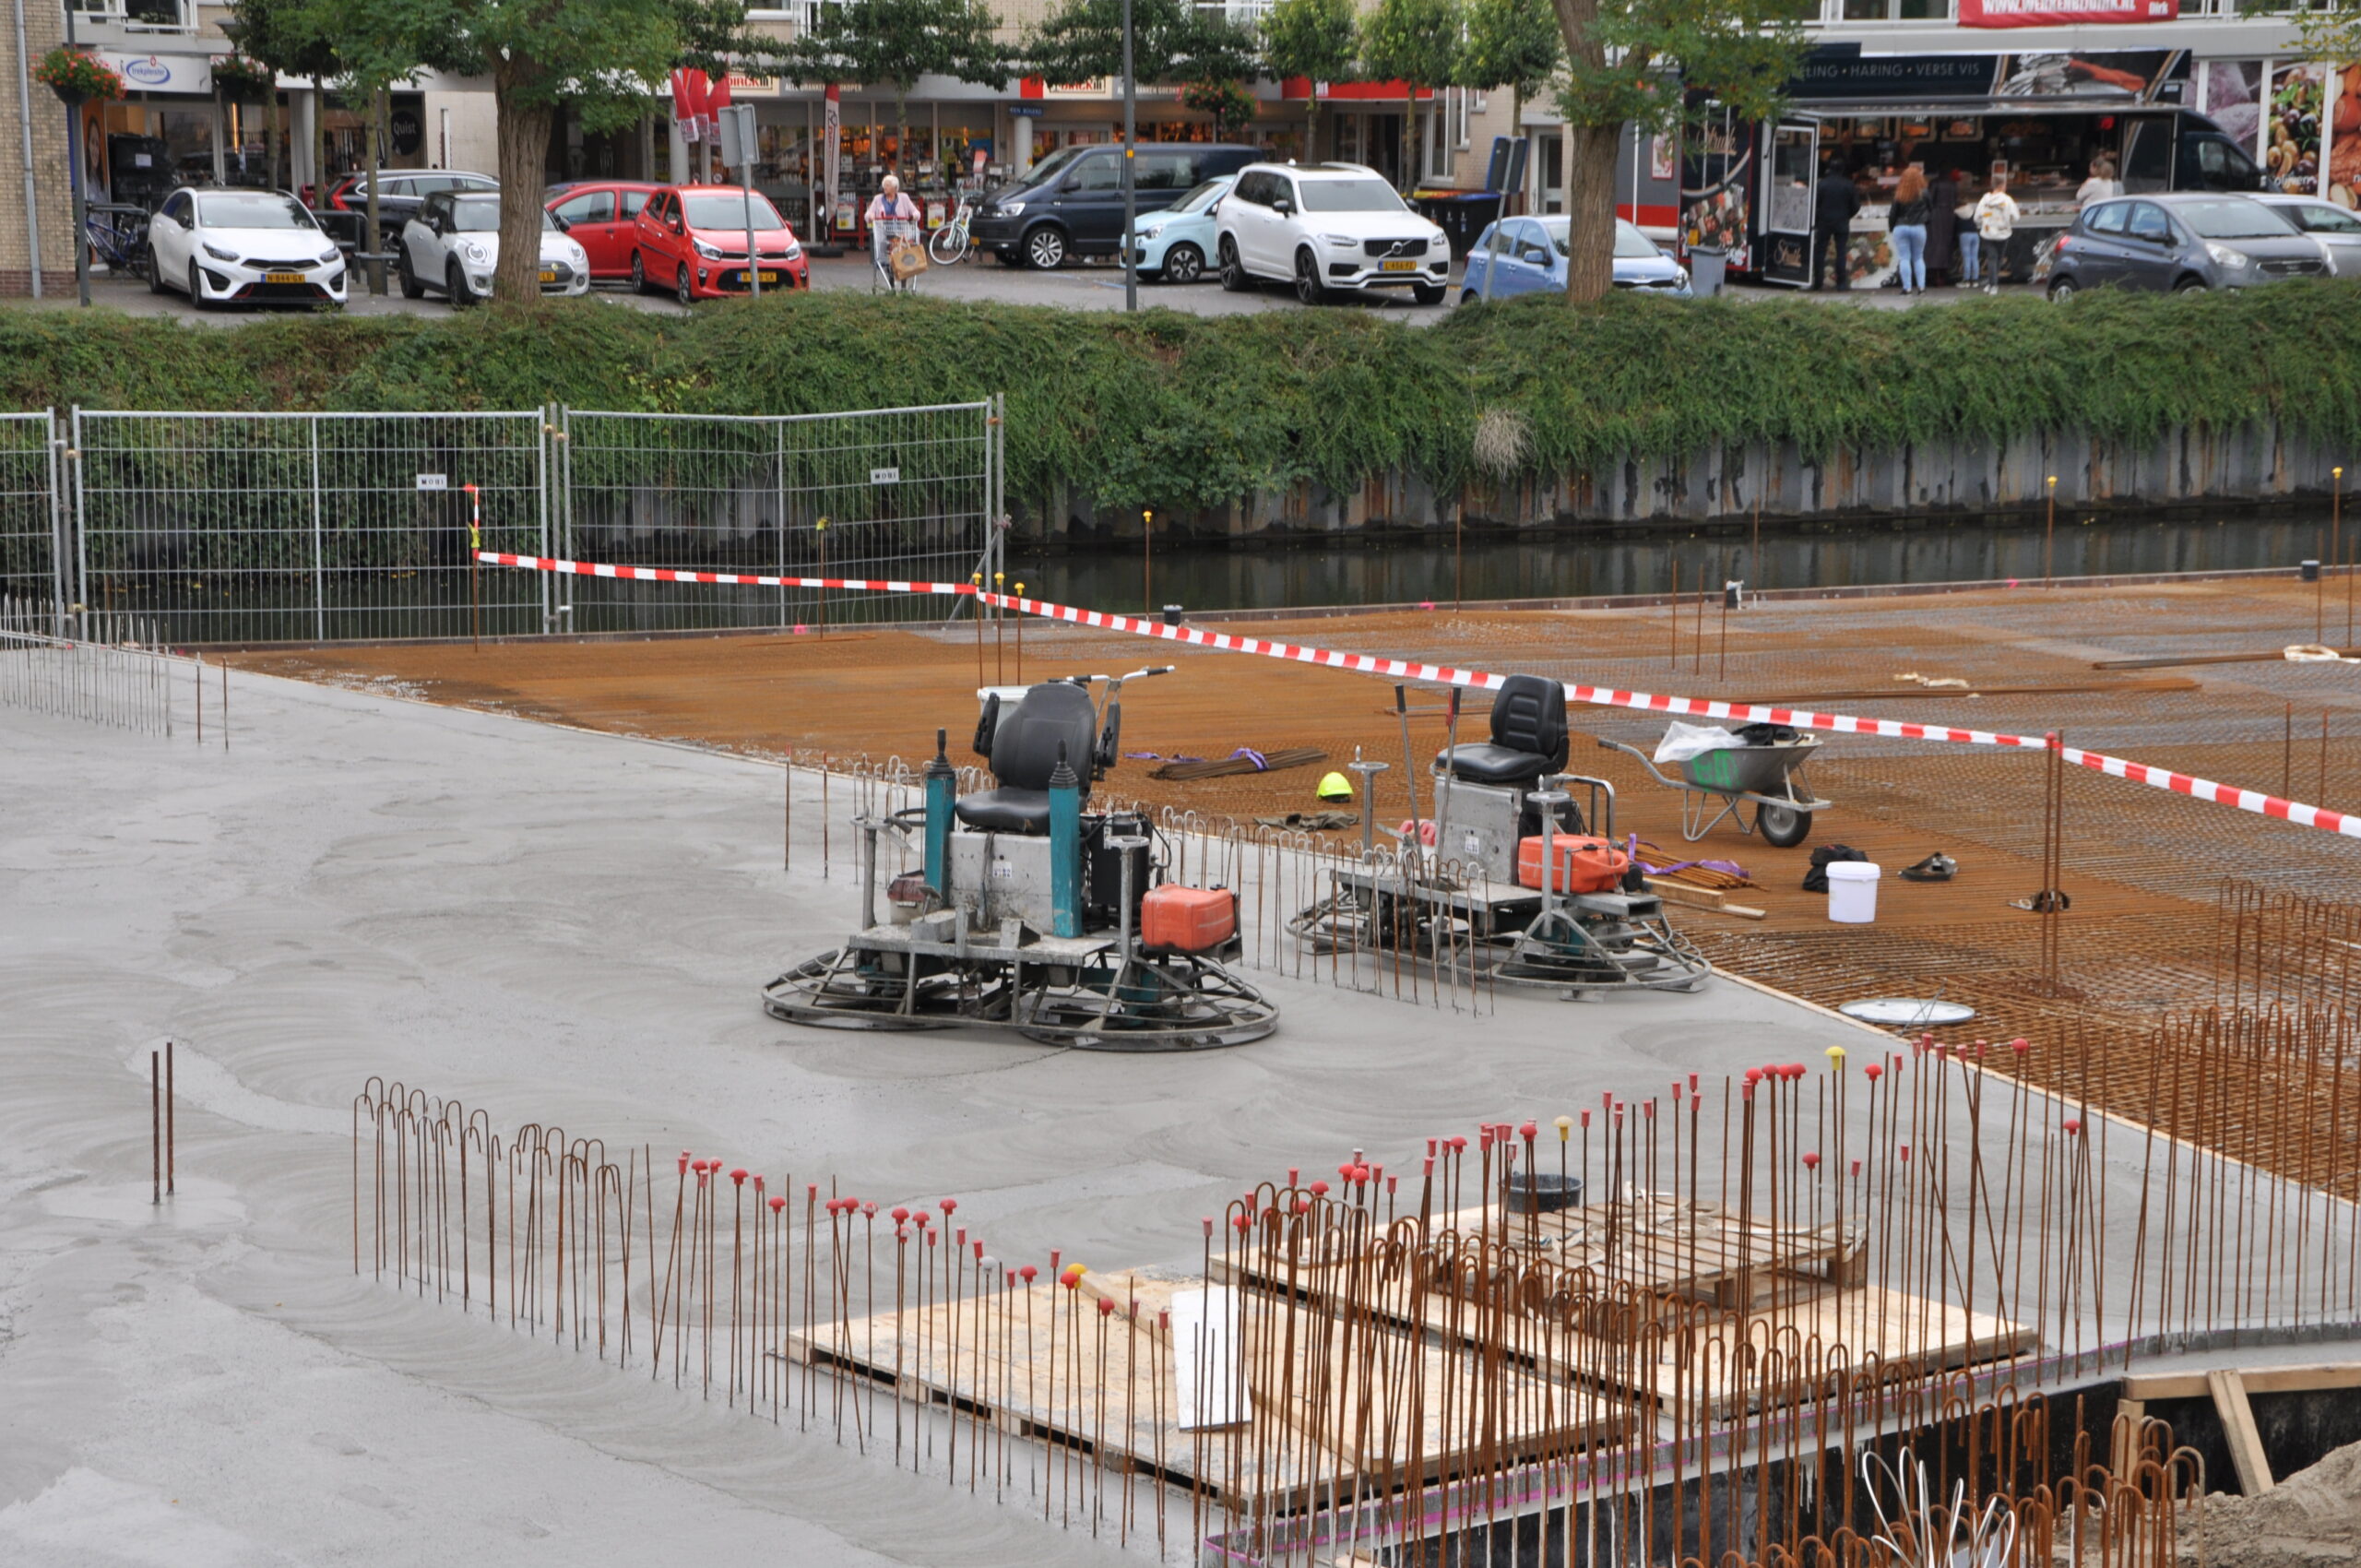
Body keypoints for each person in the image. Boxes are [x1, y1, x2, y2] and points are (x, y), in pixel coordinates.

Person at [1811, 158, 1861, 291]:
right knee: (1841, 252)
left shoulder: (1822, 184)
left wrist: (1818, 217)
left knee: (1820, 251)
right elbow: (1856, 206)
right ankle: (1841, 283)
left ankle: (1818, 282)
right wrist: (1847, 215)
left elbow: (1814, 204)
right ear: (1842, 170)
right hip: (1842, 222)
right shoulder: (1848, 184)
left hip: (1824, 222)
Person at [1888, 164, 1931, 296]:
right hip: (1918, 227)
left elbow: (1893, 214)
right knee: (1918, 258)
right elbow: (1931, 209)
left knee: (1904, 258)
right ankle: (1921, 288)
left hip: (1901, 227)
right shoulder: (1924, 192)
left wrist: (1892, 227)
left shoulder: (1899, 193)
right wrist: (1926, 221)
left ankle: (1907, 288)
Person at [1973, 172, 2020, 294]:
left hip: (1987, 233)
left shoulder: (1985, 200)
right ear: (2002, 185)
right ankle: (1994, 284)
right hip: (2003, 233)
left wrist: (1986, 220)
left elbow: (1976, 217)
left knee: (1991, 259)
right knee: (1998, 259)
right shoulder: (2007, 200)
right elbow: (2016, 217)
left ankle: (1991, 284)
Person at [1925, 166, 1958, 289]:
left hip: (1936, 215)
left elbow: (1929, 199)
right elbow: (1955, 199)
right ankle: (1944, 274)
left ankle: (1935, 275)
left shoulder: (1934, 183)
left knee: (1934, 244)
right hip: (1949, 214)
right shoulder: (1953, 184)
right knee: (1946, 243)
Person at [1953, 171, 1982, 289]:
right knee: (1974, 257)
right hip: (1975, 234)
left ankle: (1966, 280)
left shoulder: (1956, 212)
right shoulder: (1972, 210)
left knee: (1966, 257)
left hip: (1964, 235)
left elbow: (1954, 225)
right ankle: (1975, 280)